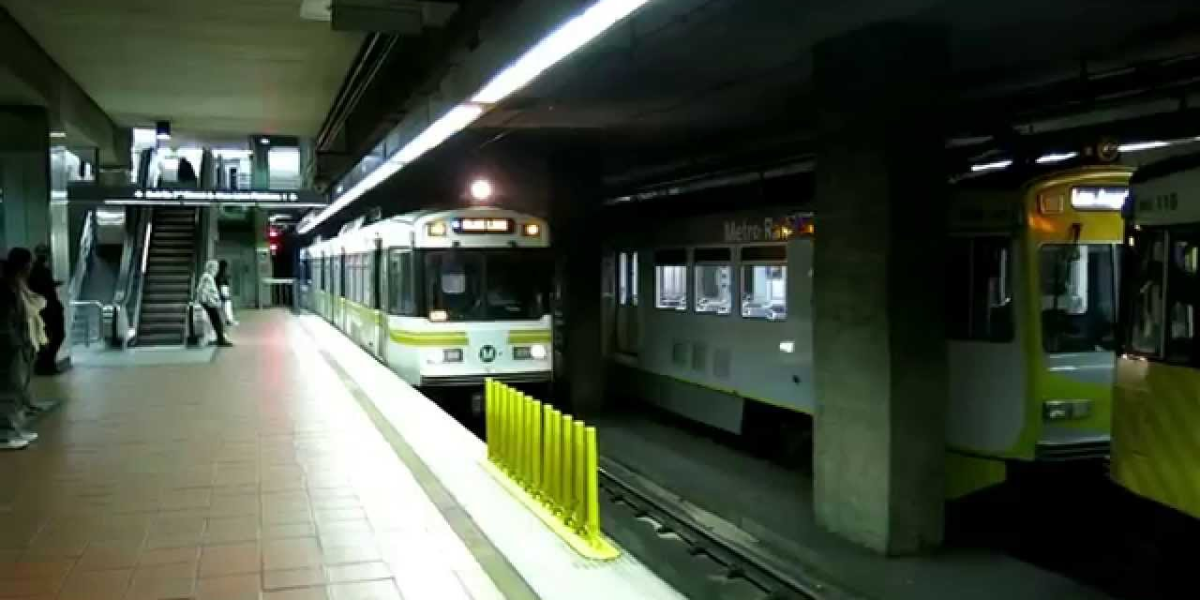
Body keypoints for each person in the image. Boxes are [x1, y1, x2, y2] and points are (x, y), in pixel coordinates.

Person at [1, 248, 44, 449]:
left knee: (18, 389)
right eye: (30, 263)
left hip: (18, 342)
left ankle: (14, 429)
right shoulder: (6, 287)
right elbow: (7, 321)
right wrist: (14, 341)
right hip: (9, 345)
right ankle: (5, 434)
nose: (31, 268)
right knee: (10, 389)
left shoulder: (16, 285)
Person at [29, 245, 65, 375]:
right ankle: (45, 364)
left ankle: (46, 364)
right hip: (48, 309)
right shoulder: (38, 270)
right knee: (56, 335)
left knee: (50, 336)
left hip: (46, 308)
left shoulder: (39, 270)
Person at [196, 259, 232, 347]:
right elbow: (203, 291)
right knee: (217, 322)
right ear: (211, 268)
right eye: (215, 268)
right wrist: (208, 302)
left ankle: (218, 338)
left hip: (210, 304)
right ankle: (220, 340)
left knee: (215, 322)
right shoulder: (207, 277)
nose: (217, 270)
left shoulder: (208, 276)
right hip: (209, 305)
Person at [216, 260, 237, 326]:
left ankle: (228, 320)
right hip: (223, 289)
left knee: (225, 306)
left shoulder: (219, 273)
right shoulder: (221, 274)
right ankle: (229, 320)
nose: (227, 268)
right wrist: (223, 294)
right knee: (227, 305)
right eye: (226, 266)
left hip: (223, 289)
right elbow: (221, 283)